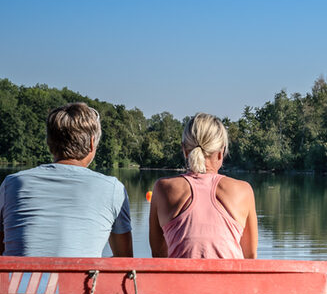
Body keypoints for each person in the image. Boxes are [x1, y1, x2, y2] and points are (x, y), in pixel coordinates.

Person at [0, 102, 132, 257]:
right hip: (80, 281)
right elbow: (125, 263)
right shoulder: (113, 189)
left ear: (50, 143)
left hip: (19, 281)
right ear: (91, 143)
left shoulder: (12, 184)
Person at [149, 112, 257, 259]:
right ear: (221, 152)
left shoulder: (162, 188)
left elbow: (158, 256)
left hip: (179, 282)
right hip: (229, 282)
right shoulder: (243, 191)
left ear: (185, 151)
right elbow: (250, 257)